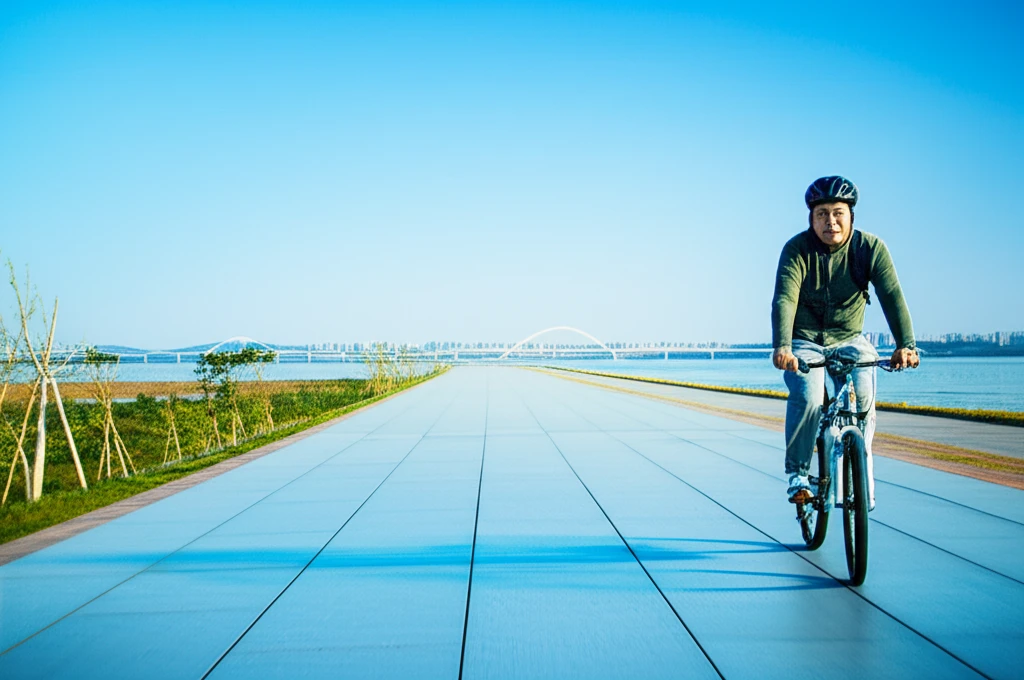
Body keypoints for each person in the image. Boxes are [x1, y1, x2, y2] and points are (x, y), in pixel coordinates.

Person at [771, 176, 919, 507]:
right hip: (804, 340)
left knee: (864, 396)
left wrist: (906, 344)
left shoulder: (870, 249)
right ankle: (798, 474)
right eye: (821, 213)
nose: (830, 221)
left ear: (851, 215)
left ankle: (862, 475)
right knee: (808, 395)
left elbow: (892, 295)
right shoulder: (797, 250)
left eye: (838, 212)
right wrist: (783, 346)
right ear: (811, 218)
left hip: (851, 339)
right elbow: (784, 298)